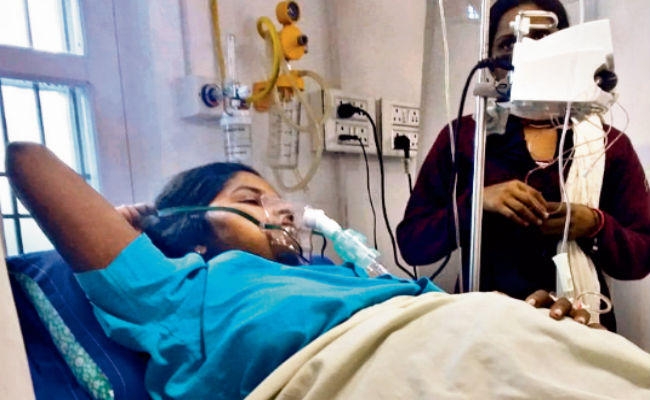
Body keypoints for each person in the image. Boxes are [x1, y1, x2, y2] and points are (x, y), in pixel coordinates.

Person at [8, 142, 649, 399]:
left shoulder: (344, 273)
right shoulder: (177, 291)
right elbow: (27, 159)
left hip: (502, 346)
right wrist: (134, 223)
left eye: (278, 198)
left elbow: (444, 317)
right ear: (192, 224)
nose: (280, 210)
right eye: (251, 199)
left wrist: (534, 314)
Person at [397, 0, 650, 331]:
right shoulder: (465, 138)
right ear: (490, 61)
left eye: (543, 40)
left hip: (580, 323)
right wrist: (477, 202)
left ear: (568, 51)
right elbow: (413, 245)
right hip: (483, 324)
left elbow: (642, 256)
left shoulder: (606, 144)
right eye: (508, 43)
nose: (525, 54)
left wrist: (596, 224)